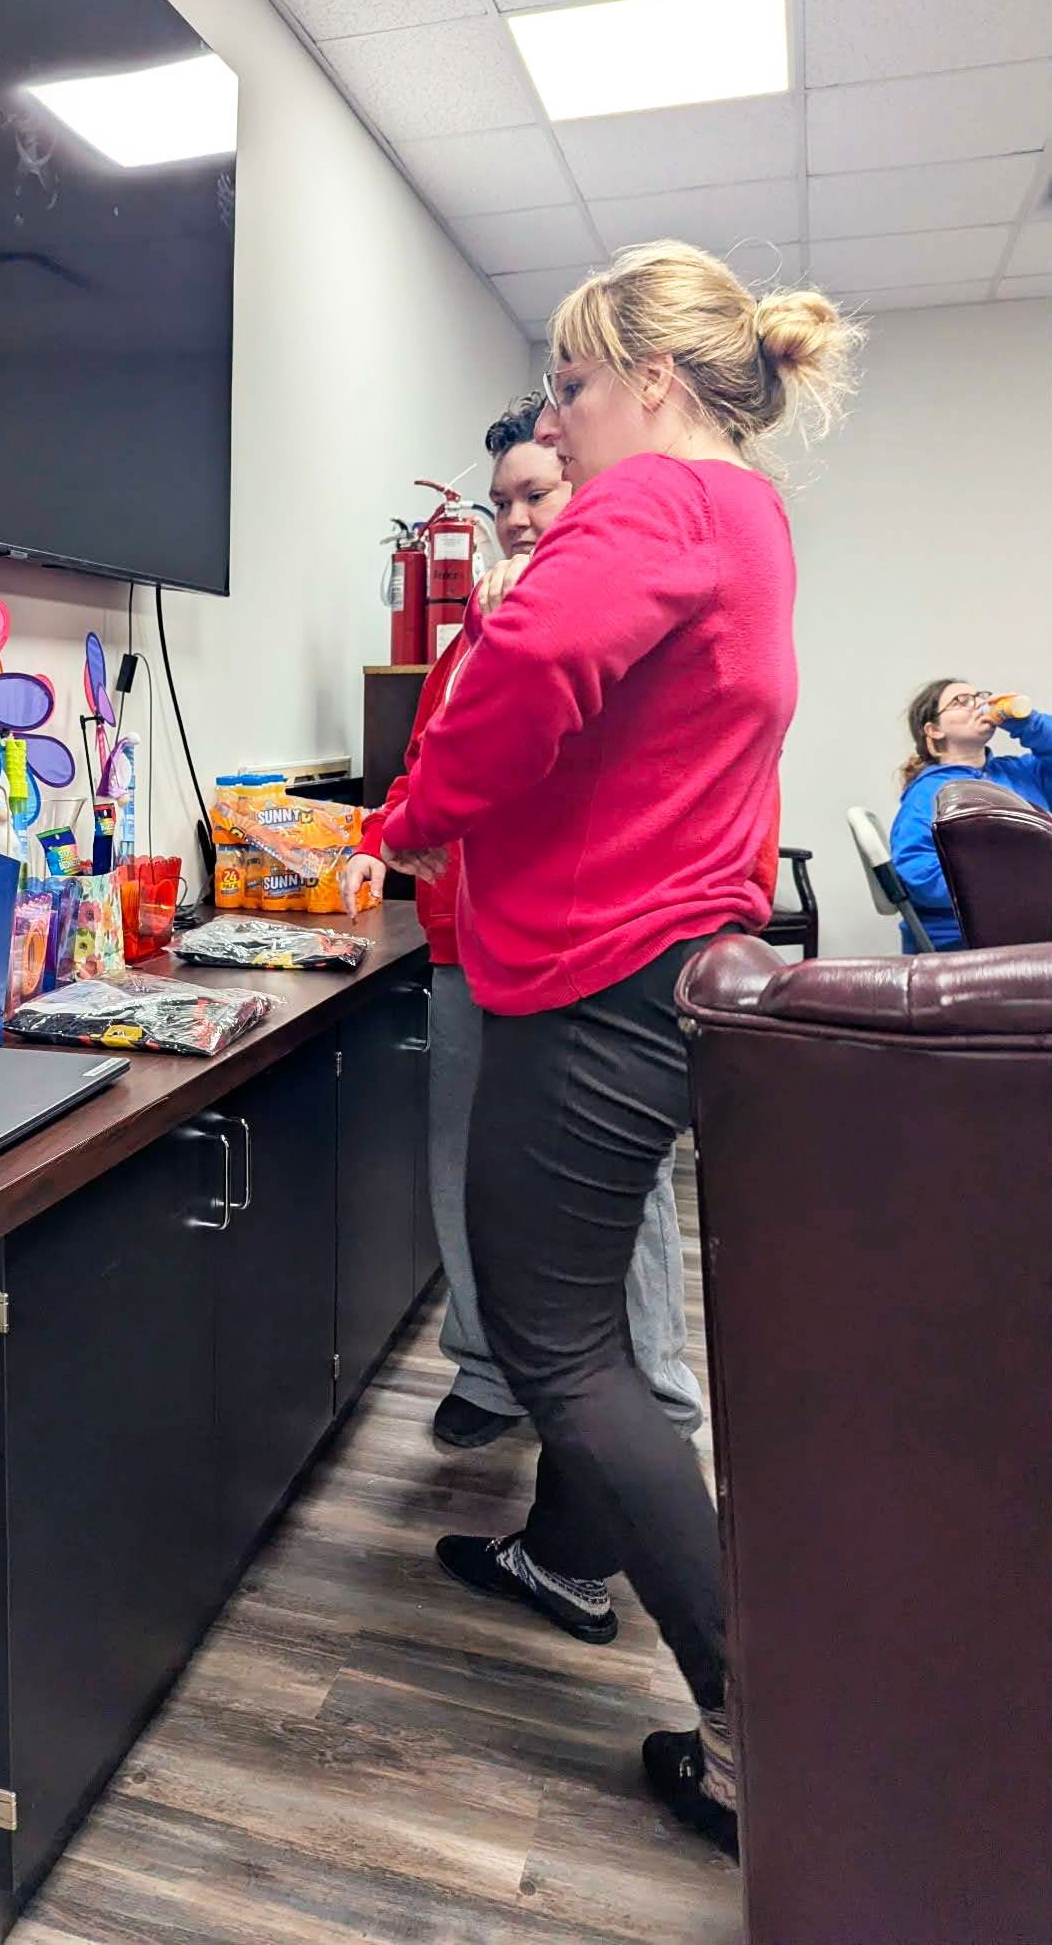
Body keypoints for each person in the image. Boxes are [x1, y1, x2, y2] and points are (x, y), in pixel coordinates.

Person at [378, 240, 863, 1856]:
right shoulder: (747, 513)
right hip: (664, 960)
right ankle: (567, 1556)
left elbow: (523, 662)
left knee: (557, 1343)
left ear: (650, 379)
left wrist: (413, 815)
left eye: (571, 385)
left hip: (596, 975)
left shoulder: (651, 496)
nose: (554, 422)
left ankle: (755, 1728)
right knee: (577, 1325)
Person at [347, 398, 703, 1453]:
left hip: (579, 952)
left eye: (535, 493)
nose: (512, 519)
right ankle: (487, 1370)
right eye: (498, 502)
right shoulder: (466, 637)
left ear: (585, 487)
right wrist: (389, 833)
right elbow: (426, 768)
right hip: (463, 944)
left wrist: (526, 621)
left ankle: (660, 1404)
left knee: (615, 1184)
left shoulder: (614, 606)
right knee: (462, 1168)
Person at [889, 682, 1052, 949]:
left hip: (1032, 926)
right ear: (934, 730)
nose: (978, 703)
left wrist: (1030, 724)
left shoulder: (1021, 772)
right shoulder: (927, 793)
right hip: (968, 939)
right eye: (961, 700)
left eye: (979, 696)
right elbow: (918, 874)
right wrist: (1011, 885)